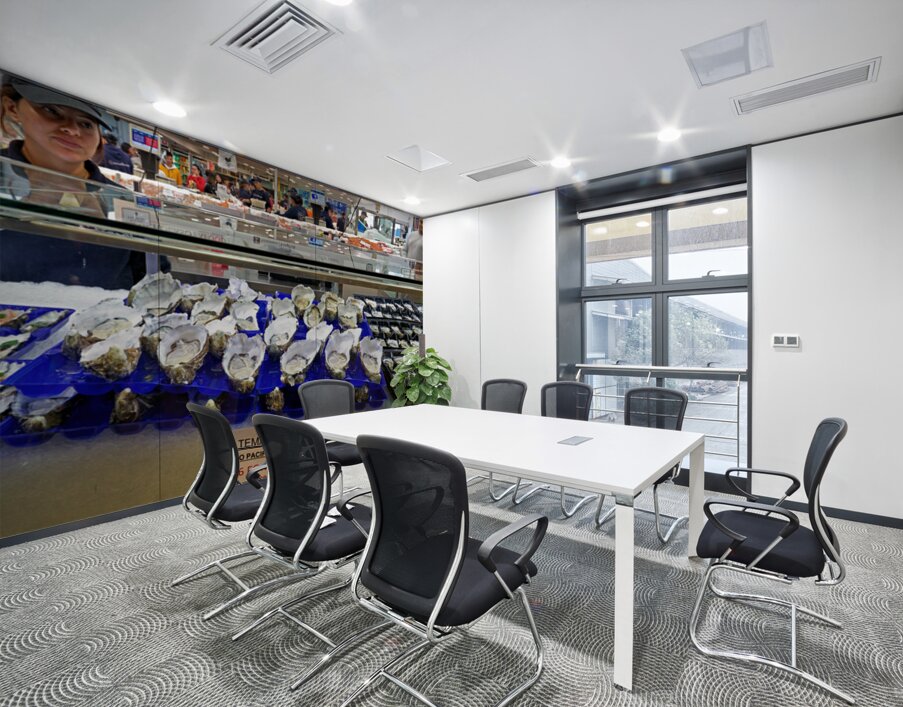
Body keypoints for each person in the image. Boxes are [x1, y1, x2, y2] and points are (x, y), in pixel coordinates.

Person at [0, 77, 137, 288]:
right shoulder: (5, 177)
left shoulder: (120, 197)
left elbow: (148, 272)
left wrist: (101, 235)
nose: (72, 130)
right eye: (52, 111)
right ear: (12, 108)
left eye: (86, 123)